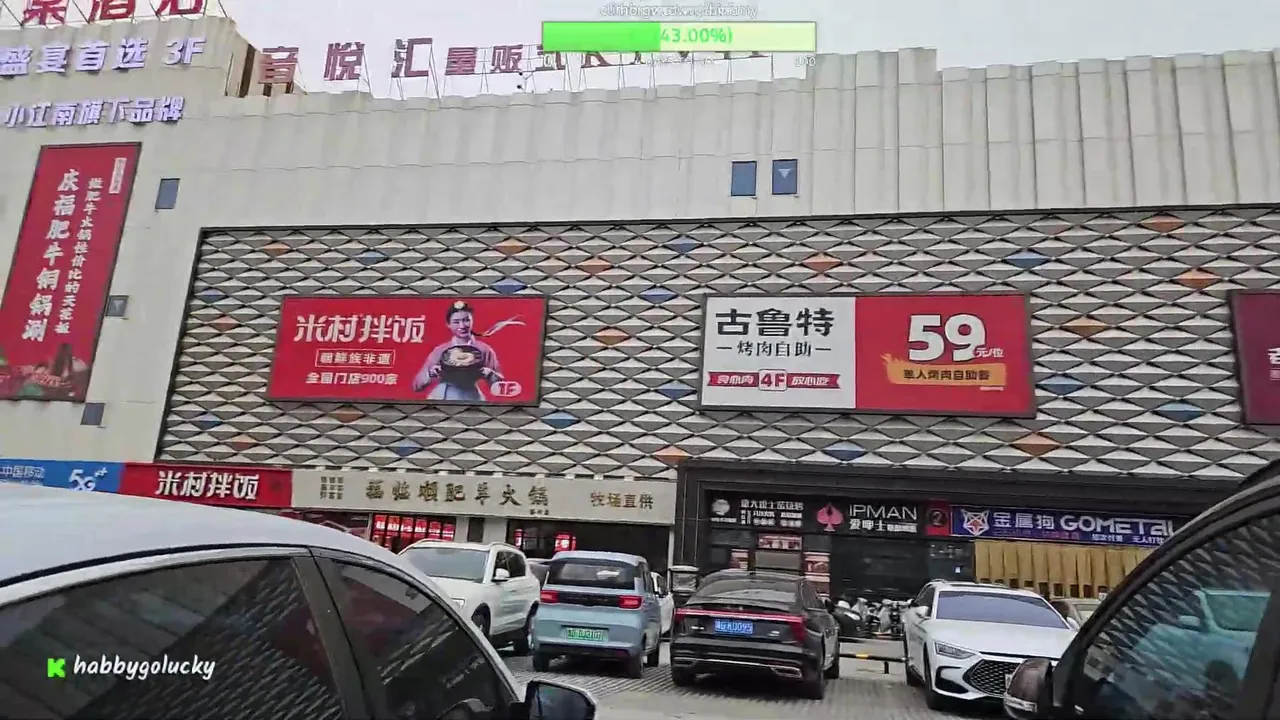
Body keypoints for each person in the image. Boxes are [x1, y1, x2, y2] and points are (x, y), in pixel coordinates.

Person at [412, 301, 505, 402]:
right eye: (456, 322)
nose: (462, 326)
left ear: (472, 320)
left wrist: (490, 374)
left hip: (471, 397)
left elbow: (500, 386)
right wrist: (430, 373)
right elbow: (417, 385)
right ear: (448, 324)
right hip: (441, 397)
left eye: (466, 320)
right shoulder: (441, 350)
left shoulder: (484, 349)